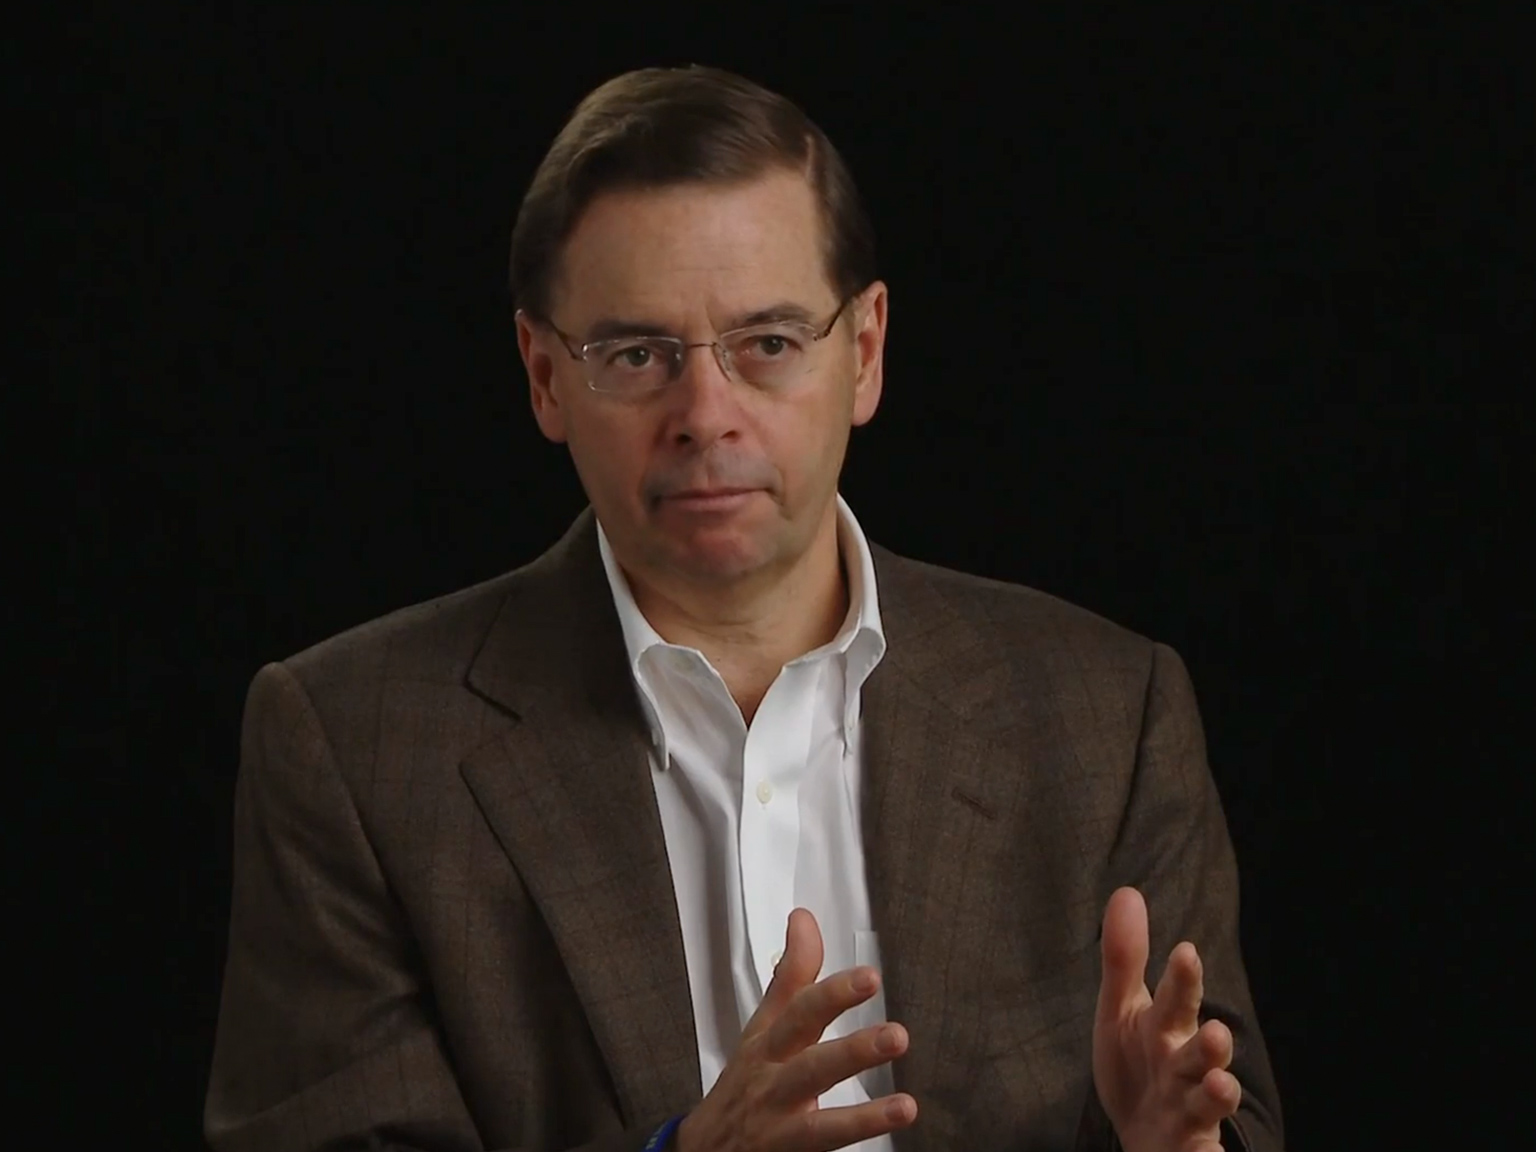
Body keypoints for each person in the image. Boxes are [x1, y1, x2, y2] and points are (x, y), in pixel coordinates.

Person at [205, 65, 1284, 1152]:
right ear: (544, 376)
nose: (705, 414)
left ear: (865, 353)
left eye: (767, 343)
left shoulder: (1108, 712)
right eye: (638, 355)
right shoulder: (354, 747)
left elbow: (1227, 1117)